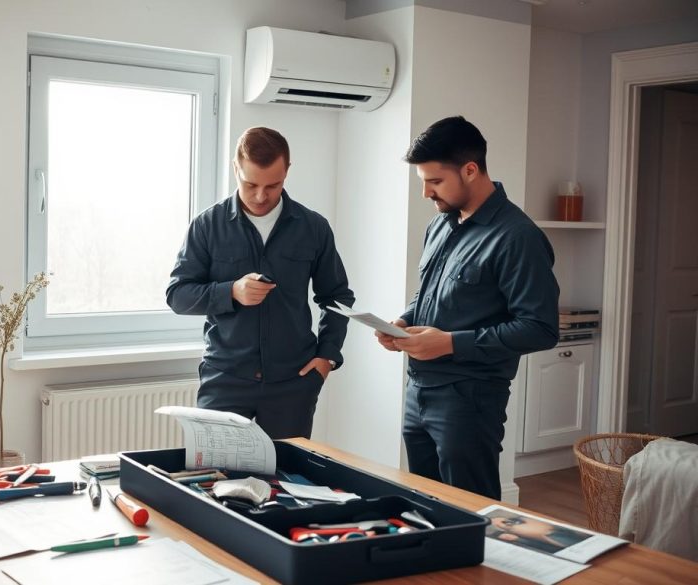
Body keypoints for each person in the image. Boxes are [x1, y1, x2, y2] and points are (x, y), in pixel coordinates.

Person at [376, 116, 559, 499]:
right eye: (422, 181)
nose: (426, 193)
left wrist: (450, 344)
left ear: (471, 170)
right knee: (424, 504)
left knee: (472, 512)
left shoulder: (518, 237)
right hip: (418, 389)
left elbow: (540, 328)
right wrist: (404, 321)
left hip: (470, 400)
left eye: (435, 181)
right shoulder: (440, 225)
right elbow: (430, 294)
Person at [167, 126, 354, 439]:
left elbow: (337, 296)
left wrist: (328, 357)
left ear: (287, 171)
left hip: (293, 383)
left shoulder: (314, 228)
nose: (260, 196)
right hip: (225, 378)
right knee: (215, 480)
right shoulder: (206, 226)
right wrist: (232, 291)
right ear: (235, 168)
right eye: (250, 183)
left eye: (274, 185)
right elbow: (178, 295)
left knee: (285, 482)